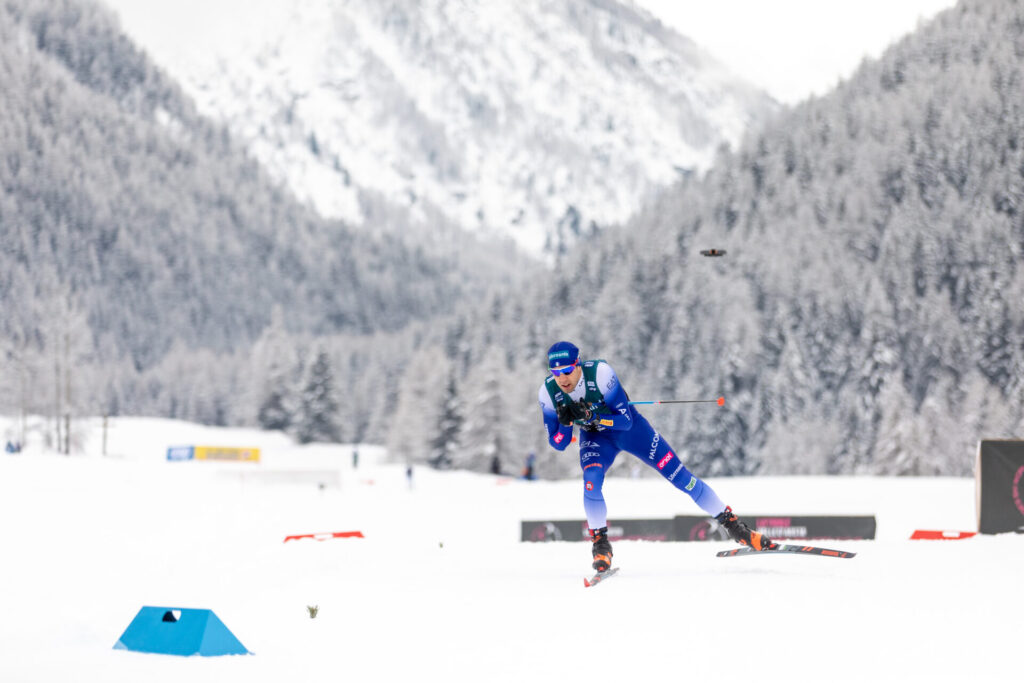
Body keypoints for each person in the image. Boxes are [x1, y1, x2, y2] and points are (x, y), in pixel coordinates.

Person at [538, 340, 776, 574]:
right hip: (596, 440)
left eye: (567, 370)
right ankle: (601, 545)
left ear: (577, 365)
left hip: (631, 432)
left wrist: (592, 415)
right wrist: (566, 422)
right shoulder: (548, 393)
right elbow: (558, 443)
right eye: (556, 372)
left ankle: (736, 528)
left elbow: (625, 420)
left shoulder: (600, 374)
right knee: (591, 481)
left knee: (682, 478)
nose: (562, 378)